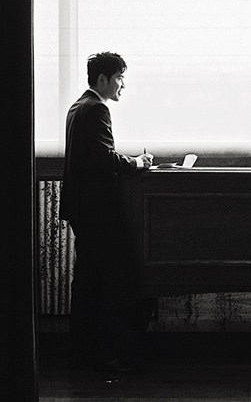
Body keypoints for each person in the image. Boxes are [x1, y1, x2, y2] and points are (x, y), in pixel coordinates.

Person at [60, 52, 154, 374]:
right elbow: (104, 158)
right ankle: (108, 355)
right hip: (98, 214)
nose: (122, 85)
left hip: (81, 211)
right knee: (120, 281)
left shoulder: (77, 107)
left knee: (87, 284)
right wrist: (137, 163)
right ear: (103, 79)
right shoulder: (97, 108)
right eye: (119, 78)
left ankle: (81, 356)